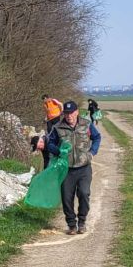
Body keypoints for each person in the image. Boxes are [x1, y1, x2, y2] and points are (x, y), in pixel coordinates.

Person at [37, 100, 101, 234]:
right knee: (67, 197)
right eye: (66, 113)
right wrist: (59, 151)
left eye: (71, 113)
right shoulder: (58, 127)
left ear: (76, 112)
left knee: (84, 193)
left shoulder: (86, 124)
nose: (69, 116)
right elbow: (50, 144)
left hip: (84, 167)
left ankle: (82, 222)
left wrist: (92, 152)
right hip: (66, 169)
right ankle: (72, 225)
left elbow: (97, 137)